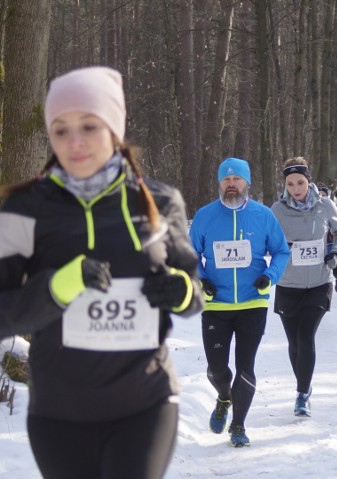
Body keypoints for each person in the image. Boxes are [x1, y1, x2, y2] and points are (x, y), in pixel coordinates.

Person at [0, 66, 204, 478]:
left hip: (145, 404)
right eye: (60, 130)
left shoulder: (160, 201)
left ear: (114, 129)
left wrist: (180, 291)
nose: (74, 142)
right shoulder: (23, 209)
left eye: (89, 126)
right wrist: (58, 287)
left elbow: (194, 293)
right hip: (59, 413)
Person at [189, 157, 291, 447]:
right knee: (216, 369)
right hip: (216, 304)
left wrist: (269, 277)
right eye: (226, 179)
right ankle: (223, 398)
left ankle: (238, 425)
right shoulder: (205, 216)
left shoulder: (263, 216)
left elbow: (282, 252)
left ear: (248, 183)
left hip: (252, 304)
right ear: (220, 184)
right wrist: (201, 278)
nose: (231, 184)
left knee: (246, 366)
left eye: (236, 179)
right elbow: (189, 253)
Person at [271, 158, 337, 417]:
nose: (296, 188)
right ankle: (304, 384)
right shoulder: (277, 210)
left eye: (300, 182)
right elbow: (267, 241)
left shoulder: (325, 205)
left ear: (309, 181)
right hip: (288, 282)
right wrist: (282, 249)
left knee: (305, 336)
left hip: (319, 281)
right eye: (290, 184)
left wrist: (335, 254)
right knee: (294, 343)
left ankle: (302, 394)